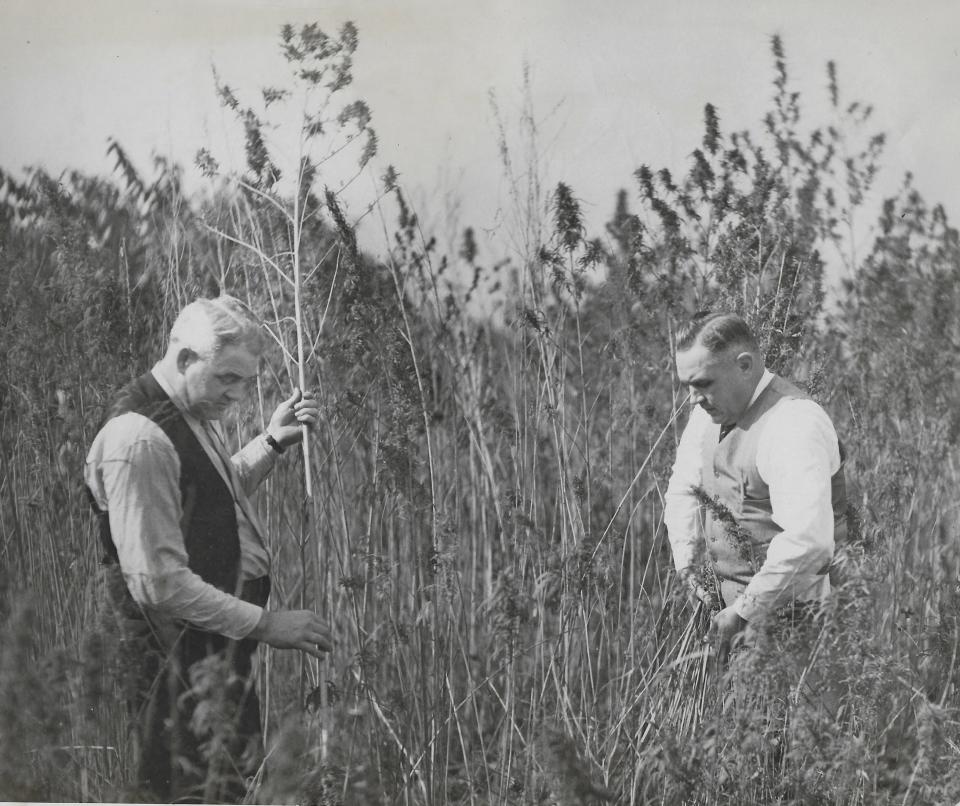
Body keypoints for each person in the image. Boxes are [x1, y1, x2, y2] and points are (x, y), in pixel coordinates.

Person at [85, 295, 333, 803]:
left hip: (211, 653)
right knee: (192, 791)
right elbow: (158, 582)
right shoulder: (140, 438)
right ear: (184, 360)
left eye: (245, 381)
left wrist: (270, 442)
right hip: (174, 668)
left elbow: (208, 492)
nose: (238, 395)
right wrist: (266, 624)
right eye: (228, 378)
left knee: (226, 786)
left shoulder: (190, 412)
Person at [664, 311, 847, 663]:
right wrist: (686, 568)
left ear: (745, 365)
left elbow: (810, 542)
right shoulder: (706, 415)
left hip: (801, 632)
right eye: (687, 385)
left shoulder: (793, 423)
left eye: (703, 383)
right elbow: (682, 489)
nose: (692, 398)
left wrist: (745, 611)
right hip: (732, 628)